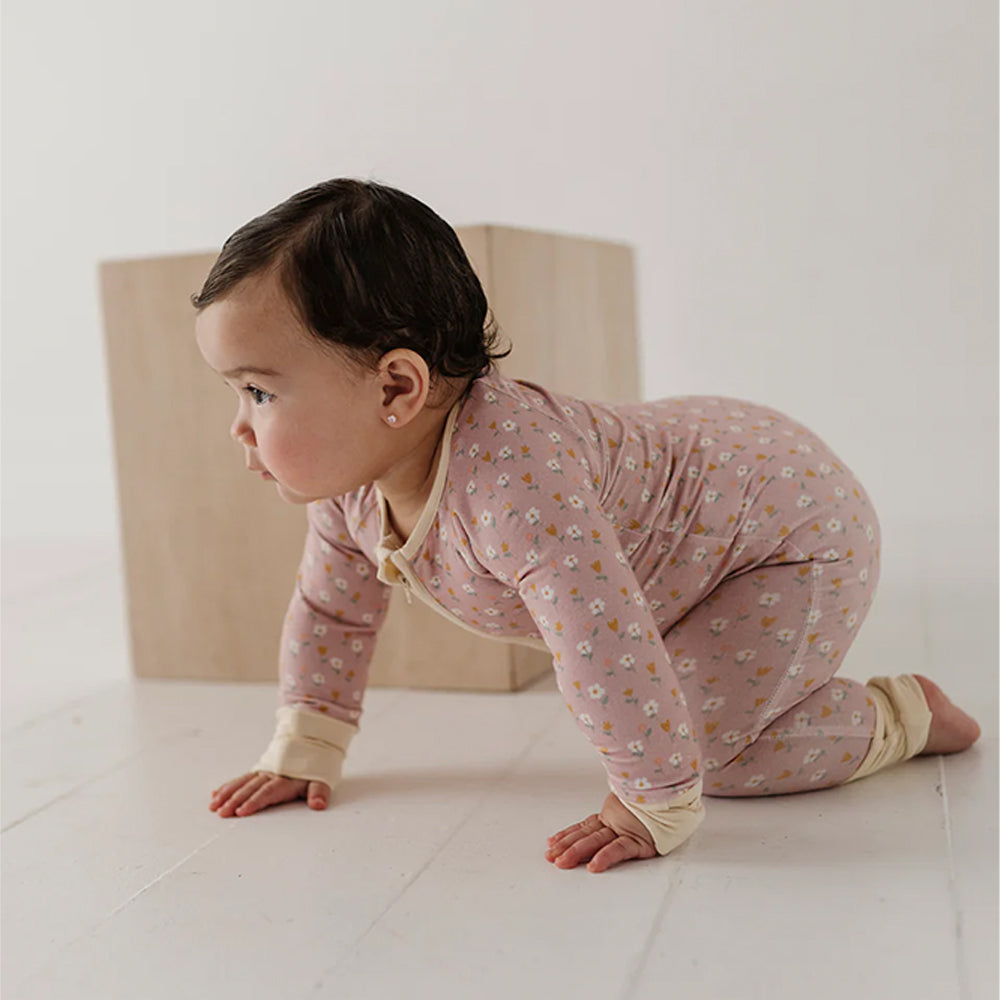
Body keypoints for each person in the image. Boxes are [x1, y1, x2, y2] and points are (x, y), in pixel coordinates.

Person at [197, 178, 981, 874]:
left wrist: (653, 800)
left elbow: (603, 640)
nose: (240, 426)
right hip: (697, 506)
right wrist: (307, 748)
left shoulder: (512, 485)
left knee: (717, 755)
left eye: (259, 394)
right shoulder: (355, 485)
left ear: (398, 387)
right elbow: (334, 611)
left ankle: (901, 716)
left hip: (786, 533)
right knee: (671, 705)